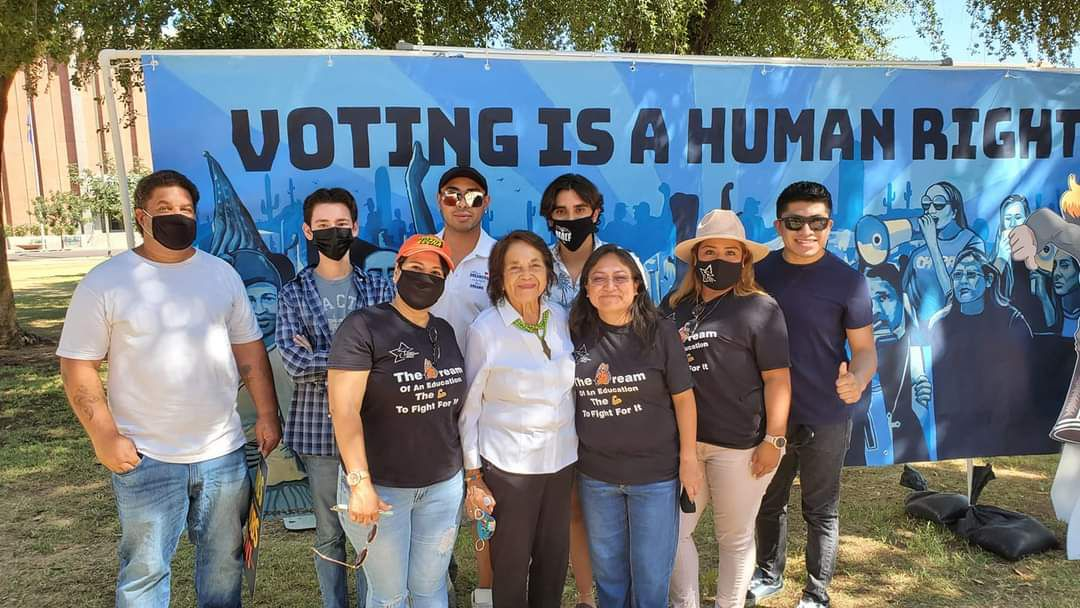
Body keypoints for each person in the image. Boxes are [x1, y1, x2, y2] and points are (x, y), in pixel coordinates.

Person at [56, 170, 282, 607]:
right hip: (146, 456)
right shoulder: (106, 281)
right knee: (145, 572)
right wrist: (104, 435)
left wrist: (268, 414)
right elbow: (77, 367)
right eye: (165, 210)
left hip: (223, 453)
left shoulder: (222, 275)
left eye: (185, 210)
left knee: (224, 566)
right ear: (142, 217)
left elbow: (250, 353)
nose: (177, 217)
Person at [749, 181, 877, 608]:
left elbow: (864, 351)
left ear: (829, 225)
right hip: (769, 416)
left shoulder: (849, 281)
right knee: (768, 501)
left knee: (821, 509)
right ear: (779, 225)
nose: (807, 231)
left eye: (817, 222)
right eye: (795, 222)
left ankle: (816, 592)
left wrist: (856, 380)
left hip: (826, 413)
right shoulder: (758, 272)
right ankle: (768, 574)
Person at [661, 210, 791, 608]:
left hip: (740, 445)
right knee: (672, 534)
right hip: (683, 447)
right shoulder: (673, 306)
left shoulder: (760, 308)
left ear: (743, 259)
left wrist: (774, 438)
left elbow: (778, 379)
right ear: (695, 258)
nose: (718, 259)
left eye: (729, 252)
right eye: (710, 250)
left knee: (733, 539)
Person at [328, 234, 467, 607]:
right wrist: (359, 482)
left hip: (441, 487)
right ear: (396, 271)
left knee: (429, 588)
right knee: (389, 596)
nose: (425, 278)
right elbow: (343, 411)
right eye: (415, 268)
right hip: (381, 491)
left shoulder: (445, 331)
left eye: (435, 272)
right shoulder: (363, 327)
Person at [276, 187, 395, 608]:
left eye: (341, 225)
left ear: (356, 227)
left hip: (375, 431)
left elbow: (391, 360)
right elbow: (293, 363)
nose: (333, 232)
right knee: (329, 531)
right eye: (323, 226)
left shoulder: (379, 288)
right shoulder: (292, 293)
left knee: (370, 527)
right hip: (317, 432)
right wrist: (359, 360)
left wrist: (322, 357)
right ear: (308, 231)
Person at [568, 243, 700, 607]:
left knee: (651, 575)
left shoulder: (660, 332)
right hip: (596, 475)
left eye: (619, 277)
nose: (609, 286)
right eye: (599, 279)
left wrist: (688, 459)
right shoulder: (574, 332)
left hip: (655, 476)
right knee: (609, 576)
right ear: (587, 290)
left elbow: (684, 398)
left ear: (638, 286)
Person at [539, 173, 649, 608]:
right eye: (561, 212)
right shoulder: (537, 268)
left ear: (596, 213)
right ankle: (589, 597)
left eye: (580, 211)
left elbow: (647, 332)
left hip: (614, 400)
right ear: (549, 217)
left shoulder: (625, 263)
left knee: (624, 508)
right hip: (555, 407)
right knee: (575, 510)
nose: (571, 219)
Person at [459, 230, 577, 608]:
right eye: (514, 267)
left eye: (534, 266)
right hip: (508, 467)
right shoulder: (486, 330)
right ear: (499, 277)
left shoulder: (560, 318)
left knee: (553, 561)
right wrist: (473, 475)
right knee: (510, 566)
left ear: (547, 273)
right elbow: (470, 407)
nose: (526, 275)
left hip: (561, 462)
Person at [915, 247, 1033, 459]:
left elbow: (1026, 374)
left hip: (999, 424)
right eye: (958, 275)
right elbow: (925, 370)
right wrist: (922, 382)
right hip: (951, 425)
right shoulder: (938, 323)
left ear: (988, 280)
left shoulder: (1011, 320)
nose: (963, 281)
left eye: (971, 274)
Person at [903, 181, 984, 326]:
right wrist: (914, 323)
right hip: (923, 329)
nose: (931, 210)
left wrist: (932, 244)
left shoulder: (971, 242)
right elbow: (905, 291)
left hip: (956, 327)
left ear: (954, 211)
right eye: (926, 205)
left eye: (939, 205)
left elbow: (955, 293)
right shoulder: (918, 249)